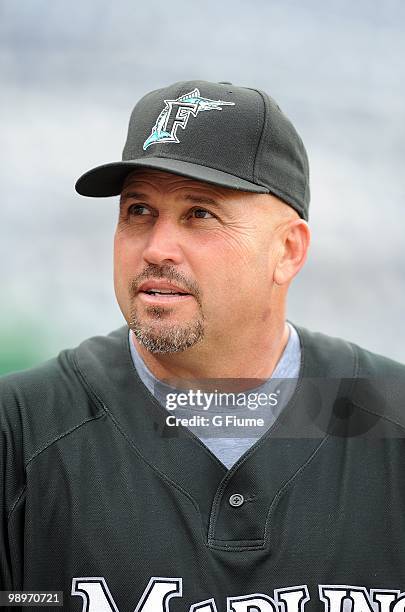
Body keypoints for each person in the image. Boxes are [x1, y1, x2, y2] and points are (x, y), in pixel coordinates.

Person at [1, 80, 405, 612]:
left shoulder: (390, 418)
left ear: (288, 250)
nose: (156, 247)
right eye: (139, 211)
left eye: (200, 214)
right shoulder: (20, 429)